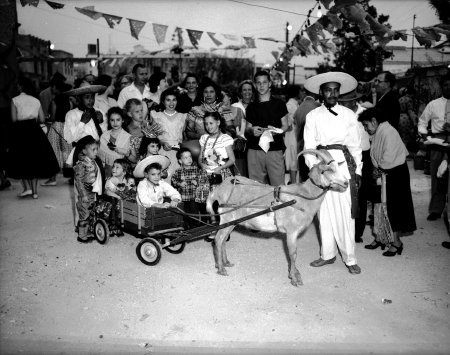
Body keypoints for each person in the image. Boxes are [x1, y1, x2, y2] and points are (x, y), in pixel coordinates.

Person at [303, 71, 362, 275]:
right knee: (324, 212)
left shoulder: (349, 115)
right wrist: (315, 169)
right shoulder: (312, 116)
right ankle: (327, 255)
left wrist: (358, 171)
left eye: (336, 90)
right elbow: (309, 146)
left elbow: (355, 146)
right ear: (321, 92)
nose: (332, 94)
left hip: (343, 165)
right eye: (328, 90)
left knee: (345, 212)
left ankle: (350, 258)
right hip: (321, 166)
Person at [359, 108, 416, 256]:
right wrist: (377, 170)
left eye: (366, 125)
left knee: (393, 209)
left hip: (395, 174)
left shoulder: (388, 131)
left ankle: (397, 243)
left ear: (374, 121)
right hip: (383, 173)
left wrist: (379, 169)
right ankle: (380, 237)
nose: (365, 129)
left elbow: (389, 157)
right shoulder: (379, 131)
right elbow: (375, 155)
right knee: (378, 207)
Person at [7, 77, 59, 199]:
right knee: (34, 159)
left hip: (20, 131)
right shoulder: (36, 100)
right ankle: (35, 192)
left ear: (20, 86)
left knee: (22, 159)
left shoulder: (15, 100)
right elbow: (41, 119)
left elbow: (14, 119)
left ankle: (27, 188)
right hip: (34, 130)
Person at [245, 70, 289, 186]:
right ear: (254, 85)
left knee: (278, 186)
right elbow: (247, 128)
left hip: (274, 149)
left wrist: (277, 131)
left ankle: (278, 204)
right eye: (258, 83)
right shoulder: (251, 106)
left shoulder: (279, 104)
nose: (261, 85)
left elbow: (285, 125)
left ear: (270, 83)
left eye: (264, 82)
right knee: (256, 187)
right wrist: (252, 130)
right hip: (255, 149)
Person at [339, 89, 370, 243]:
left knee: (361, 195)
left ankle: (358, 232)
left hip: (365, 156)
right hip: (345, 157)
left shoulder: (366, 113)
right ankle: (345, 230)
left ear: (353, 101)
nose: (342, 105)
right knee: (346, 193)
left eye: (344, 102)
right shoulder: (340, 114)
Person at [417, 74, 450, 221]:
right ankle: (436, 209)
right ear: (441, 87)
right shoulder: (433, 104)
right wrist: (426, 138)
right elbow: (422, 122)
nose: (448, 87)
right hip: (438, 142)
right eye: (446, 85)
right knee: (437, 176)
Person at [63, 82, 107, 167]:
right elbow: (69, 139)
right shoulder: (71, 114)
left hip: (98, 151)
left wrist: (101, 122)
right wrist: (82, 122)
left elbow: (105, 136)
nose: (91, 100)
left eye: (92, 97)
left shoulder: (99, 112)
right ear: (78, 98)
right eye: (87, 97)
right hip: (81, 153)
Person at [42, 81, 73, 186]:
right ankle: (72, 177)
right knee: (67, 152)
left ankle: (52, 178)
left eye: (53, 87)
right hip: (67, 127)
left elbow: (53, 116)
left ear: (56, 87)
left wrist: (49, 118)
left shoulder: (55, 100)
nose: (52, 89)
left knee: (53, 153)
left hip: (56, 126)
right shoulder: (69, 100)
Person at [150, 88, 187, 180]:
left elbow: (184, 135)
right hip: (162, 151)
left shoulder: (183, 116)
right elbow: (153, 136)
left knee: (178, 180)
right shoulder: (156, 115)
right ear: (163, 101)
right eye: (168, 100)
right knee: (162, 179)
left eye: (174, 100)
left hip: (178, 153)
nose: (171, 103)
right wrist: (162, 142)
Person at [73, 135, 103, 243]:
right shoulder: (81, 165)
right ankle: (82, 235)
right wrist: (83, 195)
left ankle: (88, 231)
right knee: (84, 214)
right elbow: (79, 181)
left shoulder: (93, 162)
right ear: (84, 151)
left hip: (92, 193)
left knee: (91, 212)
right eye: (93, 149)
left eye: (97, 149)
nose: (96, 152)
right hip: (85, 194)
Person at [171, 148, 202, 228]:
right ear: (180, 161)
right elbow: (173, 180)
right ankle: (185, 227)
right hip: (183, 197)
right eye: (185, 158)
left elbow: (201, 179)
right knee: (184, 213)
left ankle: (194, 227)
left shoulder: (196, 169)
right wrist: (179, 183)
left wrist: (197, 181)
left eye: (190, 157)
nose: (189, 159)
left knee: (194, 213)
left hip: (194, 197)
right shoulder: (178, 171)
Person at [231, 79, 256, 177]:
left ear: (253, 92)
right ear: (240, 92)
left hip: (254, 146)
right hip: (239, 148)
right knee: (240, 175)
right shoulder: (234, 107)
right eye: (244, 90)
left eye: (249, 89)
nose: (247, 92)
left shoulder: (257, 106)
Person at [294, 89, 320, 182]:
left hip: (300, 146)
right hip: (313, 149)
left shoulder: (299, 107)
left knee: (303, 177)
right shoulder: (317, 107)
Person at [98, 107, 132, 177]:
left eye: (118, 120)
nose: (115, 123)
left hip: (121, 172)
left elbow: (132, 158)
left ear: (122, 120)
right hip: (106, 172)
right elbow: (100, 156)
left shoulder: (127, 137)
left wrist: (121, 151)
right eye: (112, 120)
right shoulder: (104, 136)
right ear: (109, 121)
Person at [284, 85, 302, 184]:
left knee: (295, 157)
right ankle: (293, 181)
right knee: (292, 157)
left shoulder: (295, 104)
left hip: (295, 134)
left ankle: (294, 180)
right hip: (291, 135)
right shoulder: (290, 105)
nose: (301, 93)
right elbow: (288, 123)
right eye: (300, 91)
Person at [398, 86, 418, 153]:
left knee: (400, 137)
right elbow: (410, 111)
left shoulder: (400, 99)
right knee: (405, 138)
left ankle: (399, 152)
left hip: (399, 118)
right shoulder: (409, 99)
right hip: (405, 120)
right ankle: (404, 153)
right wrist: (415, 122)